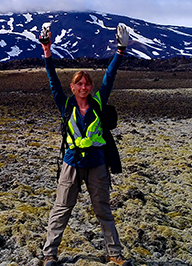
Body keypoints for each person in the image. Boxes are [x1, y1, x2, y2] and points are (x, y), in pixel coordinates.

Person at [39, 22, 132, 266]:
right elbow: (51, 80)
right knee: (61, 209)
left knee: (103, 210)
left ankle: (115, 254)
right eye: (79, 84)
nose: (83, 87)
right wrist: (47, 50)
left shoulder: (99, 103)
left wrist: (120, 51)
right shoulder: (66, 104)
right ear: (72, 87)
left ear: (90, 87)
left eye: (87, 84)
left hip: (96, 164)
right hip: (71, 163)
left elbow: (110, 77)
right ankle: (50, 255)